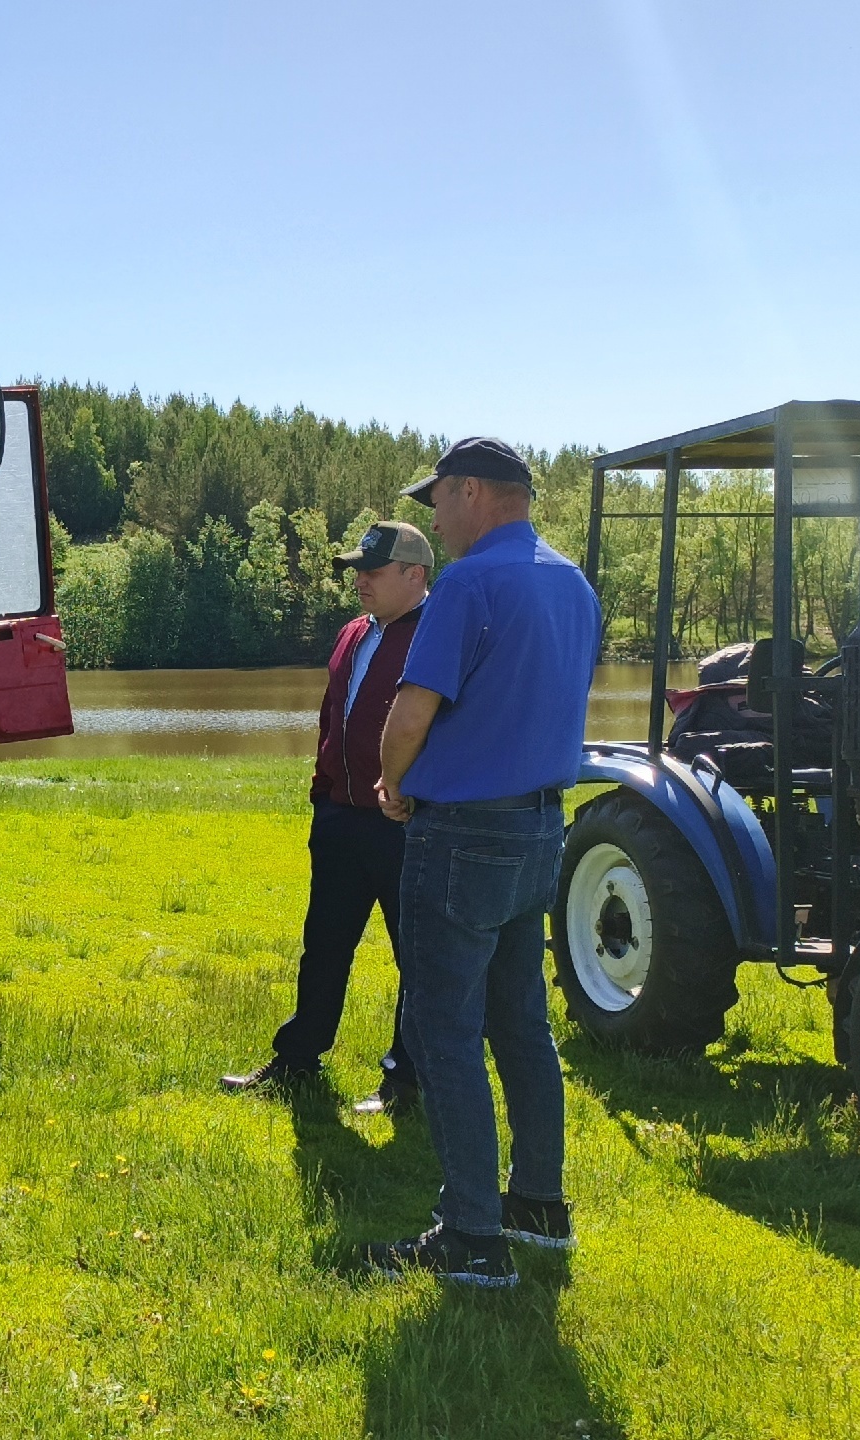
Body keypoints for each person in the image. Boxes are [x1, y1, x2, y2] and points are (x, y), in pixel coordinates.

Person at [366, 437, 601, 1288]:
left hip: (461, 833)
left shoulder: (467, 582)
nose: (434, 515)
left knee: (444, 1029)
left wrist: (393, 784)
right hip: (541, 828)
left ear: (473, 492)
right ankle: (538, 1205)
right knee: (522, 1023)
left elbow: (412, 706)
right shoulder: (572, 582)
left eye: (437, 499)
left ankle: (470, 1235)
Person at [223, 520, 433, 1114]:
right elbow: (330, 720)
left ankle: (405, 1081)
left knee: (413, 955)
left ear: (414, 575)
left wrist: (420, 796)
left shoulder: (438, 636)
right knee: (325, 943)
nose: (360, 580)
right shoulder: (352, 633)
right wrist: (323, 792)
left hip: (404, 823)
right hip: (339, 818)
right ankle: (297, 1059)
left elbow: (448, 731)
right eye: (357, 570)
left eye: (374, 570)